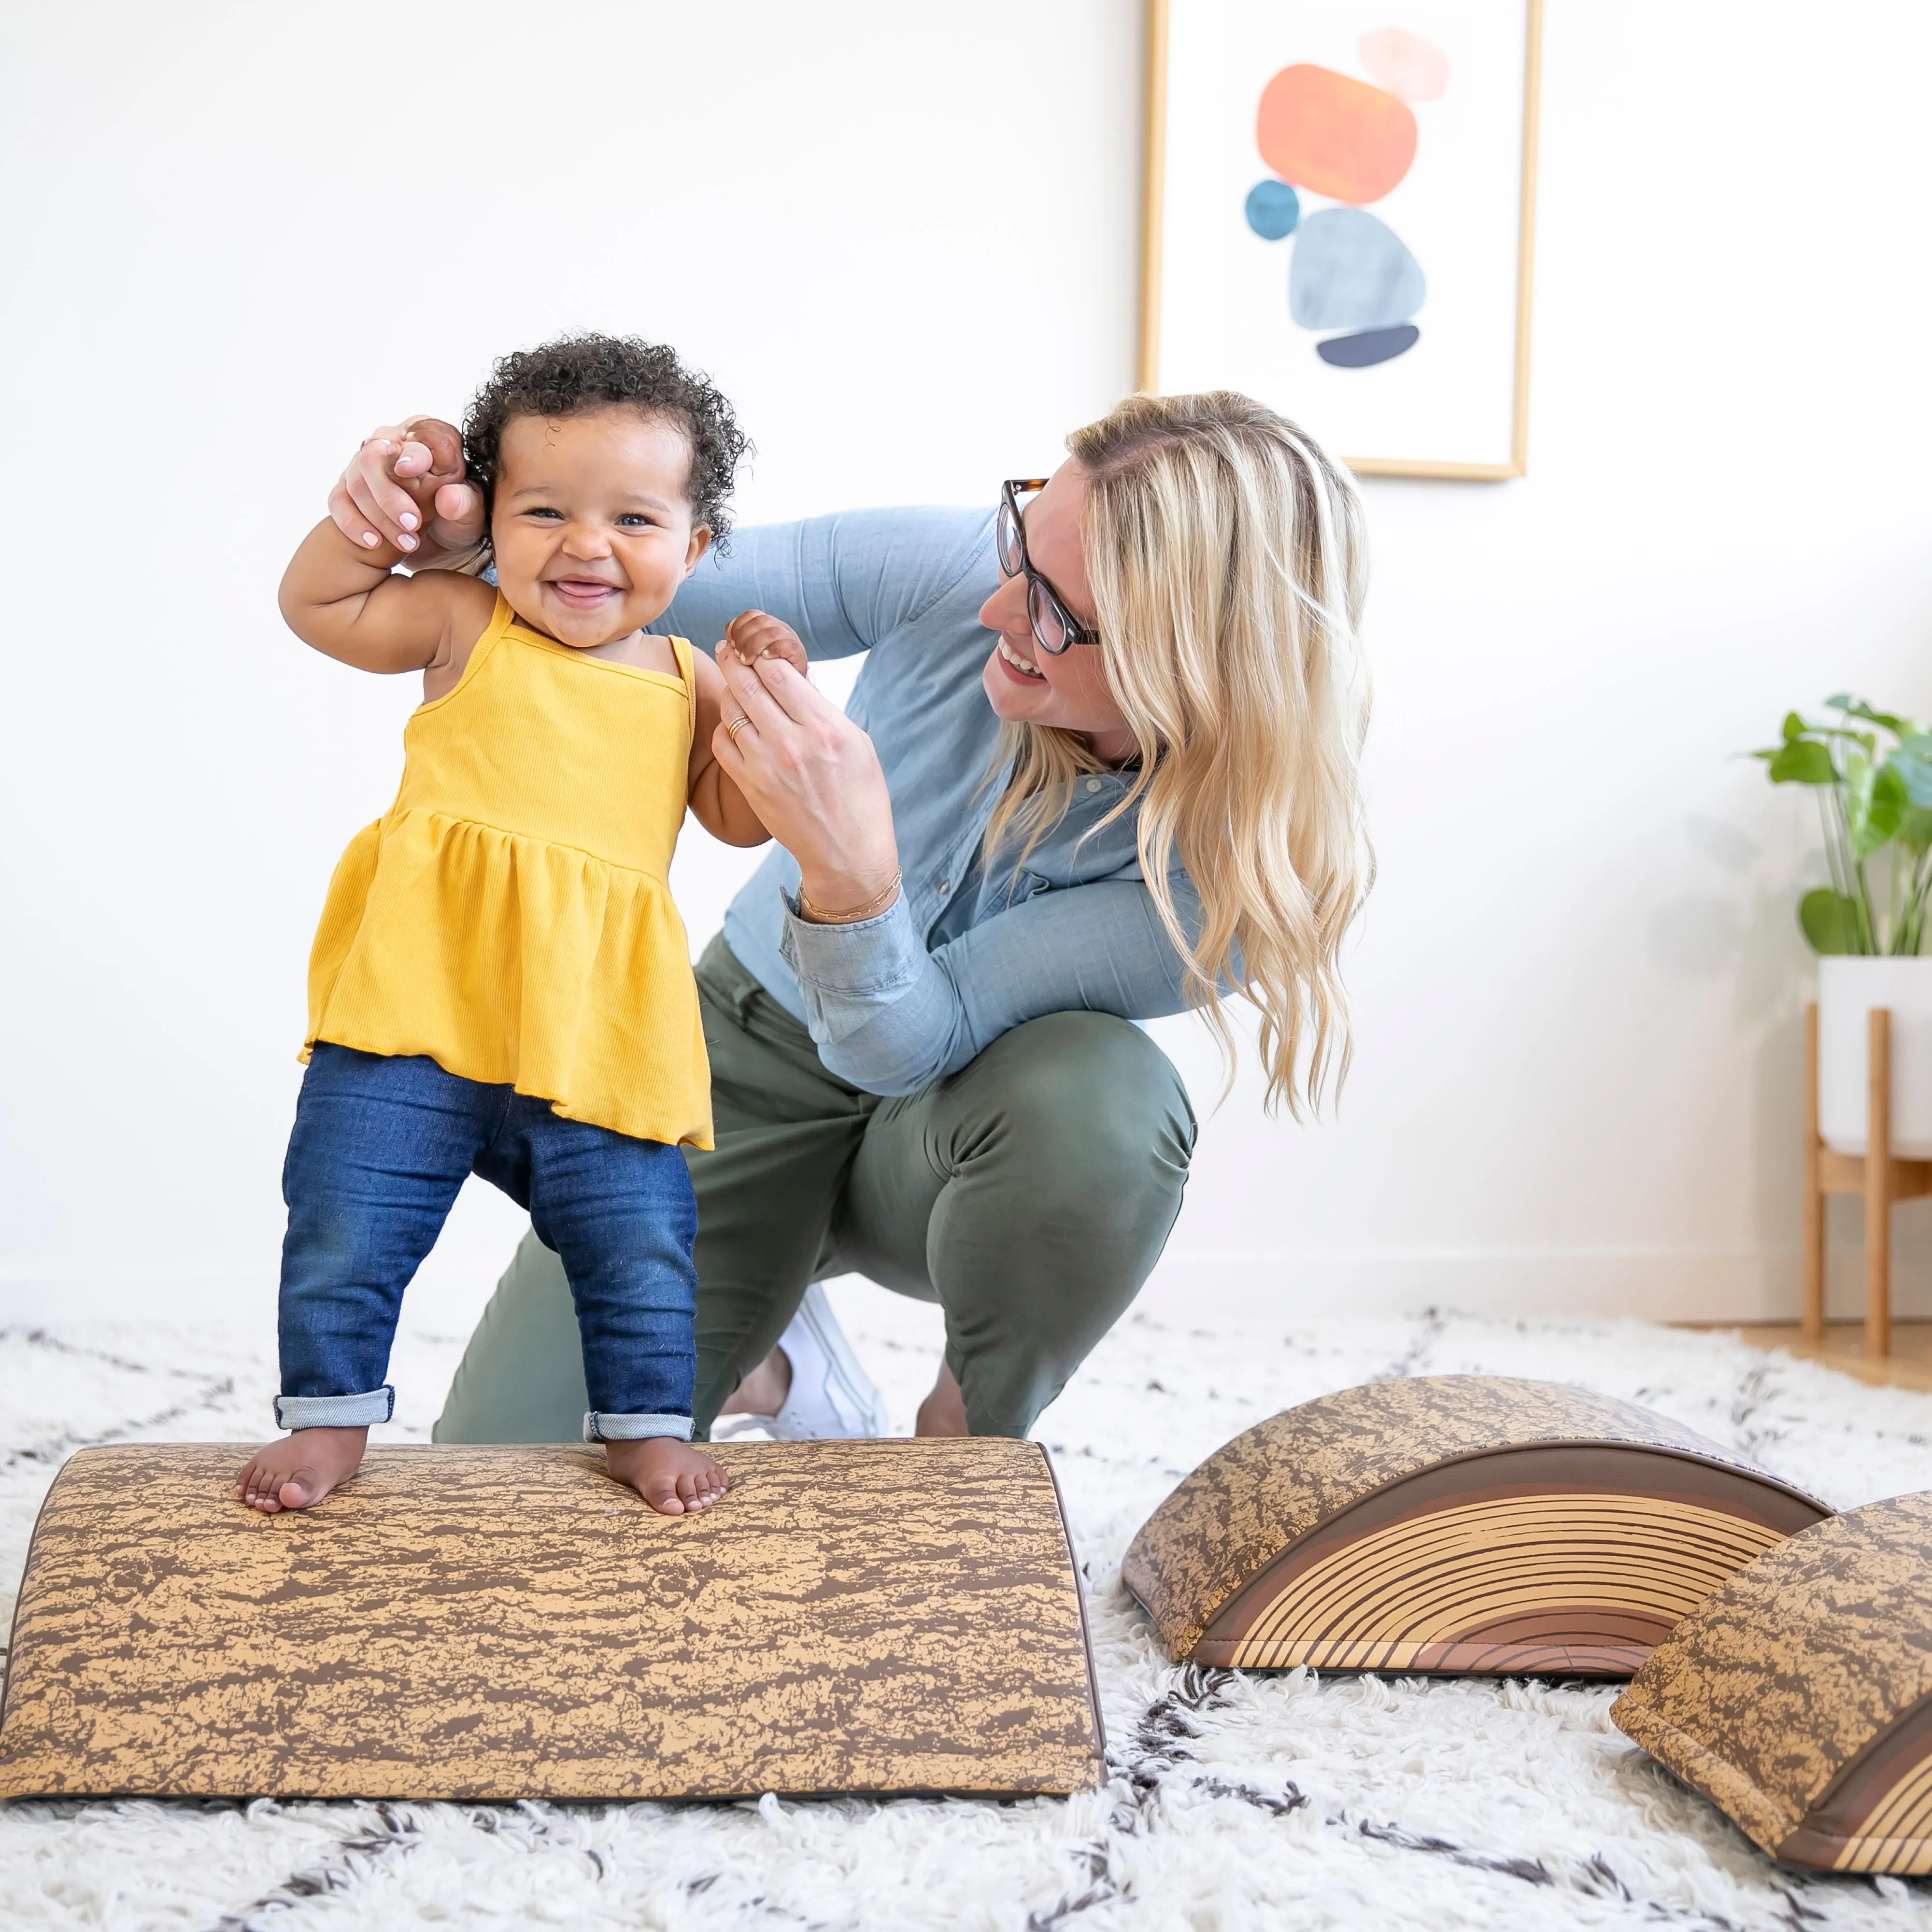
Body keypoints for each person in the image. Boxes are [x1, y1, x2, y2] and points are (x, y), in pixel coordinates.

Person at [326, 390, 1373, 1447]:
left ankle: (970, 1421)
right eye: (1019, 544)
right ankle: (775, 1361)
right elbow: (639, 574)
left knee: (1106, 1104)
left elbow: (906, 1046)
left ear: (1192, 663)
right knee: (507, 1486)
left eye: (1056, 611)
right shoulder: (970, 572)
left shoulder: (1233, 883)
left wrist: (850, 877)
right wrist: (454, 519)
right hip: (730, 1062)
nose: (996, 612)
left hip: (955, 1134)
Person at [236, 334, 794, 1517]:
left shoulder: (687, 679)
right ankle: (330, 1419)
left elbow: (739, 820)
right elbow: (318, 601)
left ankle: (646, 1426)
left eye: (634, 522)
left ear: (693, 548)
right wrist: (378, 509)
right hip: (415, 1010)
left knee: (639, 1240)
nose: (587, 544)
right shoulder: (459, 621)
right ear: (489, 519)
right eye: (546, 509)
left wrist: (762, 695)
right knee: (345, 1212)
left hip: (595, 1037)